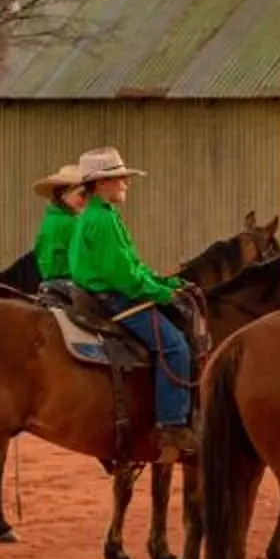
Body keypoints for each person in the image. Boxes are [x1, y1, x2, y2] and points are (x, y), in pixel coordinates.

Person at [70, 146, 205, 463]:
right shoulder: (103, 220)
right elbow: (124, 277)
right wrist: (163, 295)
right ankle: (172, 425)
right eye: (120, 178)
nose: (126, 183)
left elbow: (133, 266)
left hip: (106, 292)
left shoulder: (100, 215)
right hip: (114, 298)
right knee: (175, 346)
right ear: (101, 183)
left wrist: (164, 282)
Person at [29, 163, 87, 292]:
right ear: (63, 193)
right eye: (82, 194)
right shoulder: (70, 223)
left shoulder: (52, 219)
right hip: (68, 282)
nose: (87, 200)